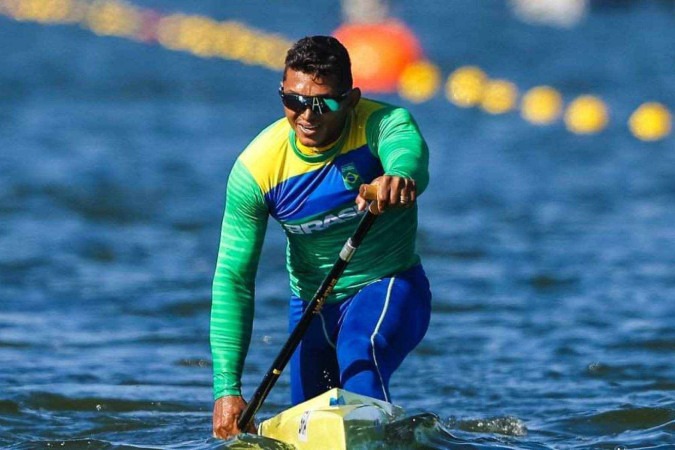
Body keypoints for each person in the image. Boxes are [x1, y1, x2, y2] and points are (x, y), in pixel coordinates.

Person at [211, 35, 431, 439]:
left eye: (322, 103)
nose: (306, 116)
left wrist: (396, 177)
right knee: (308, 426)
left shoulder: (383, 124)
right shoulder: (257, 170)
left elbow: (409, 154)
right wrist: (227, 390)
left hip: (388, 286)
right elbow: (234, 279)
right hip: (311, 309)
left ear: (350, 100)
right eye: (293, 101)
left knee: (359, 356)